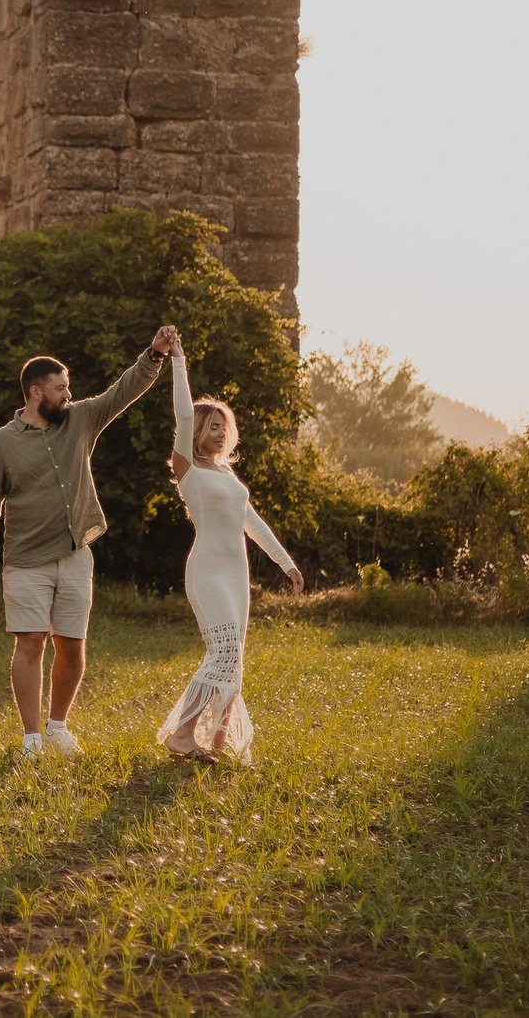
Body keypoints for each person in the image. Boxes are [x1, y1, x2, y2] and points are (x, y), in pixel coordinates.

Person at [0, 326, 176, 760]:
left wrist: (154, 354)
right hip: (26, 561)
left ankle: (57, 728)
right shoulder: (2, 443)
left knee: (73, 645)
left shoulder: (80, 419)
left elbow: (121, 392)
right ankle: (31, 739)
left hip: (76, 555)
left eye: (68, 387)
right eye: (60, 388)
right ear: (35, 392)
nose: (68, 394)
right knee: (30, 643)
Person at [155, 328, 302, 765]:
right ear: (198, 431)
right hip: (208, 572)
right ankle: (184, 735)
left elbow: (251, 523)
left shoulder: (226, 474)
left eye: (225, 427)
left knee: (234, 658)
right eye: (213, 426)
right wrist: (178, 359)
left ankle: (218, 741)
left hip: (237, 576)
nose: (221, 433)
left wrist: (287, 564)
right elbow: (183, 414)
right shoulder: (188, 470)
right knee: (223, 651)